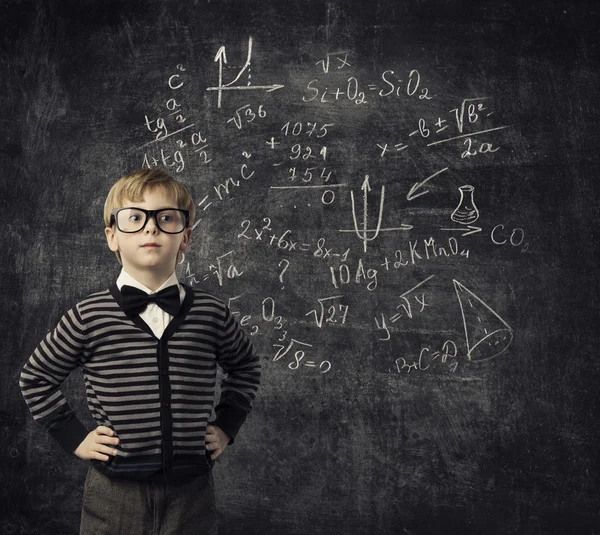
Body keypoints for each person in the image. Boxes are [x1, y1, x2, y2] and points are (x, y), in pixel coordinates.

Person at [19, 168, 261, 534]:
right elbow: (35, 377)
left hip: (191, 493)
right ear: (112, 236)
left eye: (166, 218)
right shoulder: (89, 315)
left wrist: (226, 425)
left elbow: (245, 366)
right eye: (135, 218)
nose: (151, 228)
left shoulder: (211, 313)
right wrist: (75, 437)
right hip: (114, 494)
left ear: (186, 238)